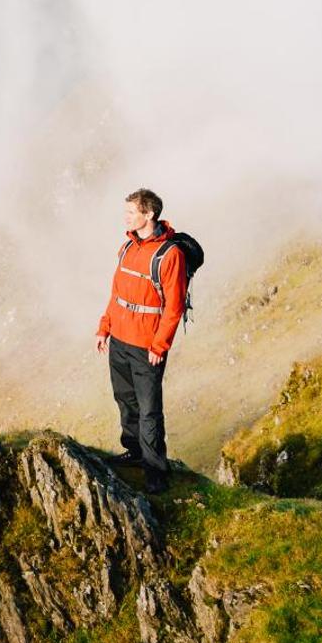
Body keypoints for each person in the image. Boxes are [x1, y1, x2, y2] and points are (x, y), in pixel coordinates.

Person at [95, 188, 188, 494]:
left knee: (149, 411)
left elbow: (173, 309)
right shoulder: (127, 248)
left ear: (149, 214)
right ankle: (134, 452)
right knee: (125, 400)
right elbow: (117, 293)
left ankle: (155, 471)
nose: (126, 217)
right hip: (119, 340)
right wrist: (104, 327)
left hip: (146, 347)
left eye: (132, 212)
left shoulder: (169, 255)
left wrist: (159, 347)